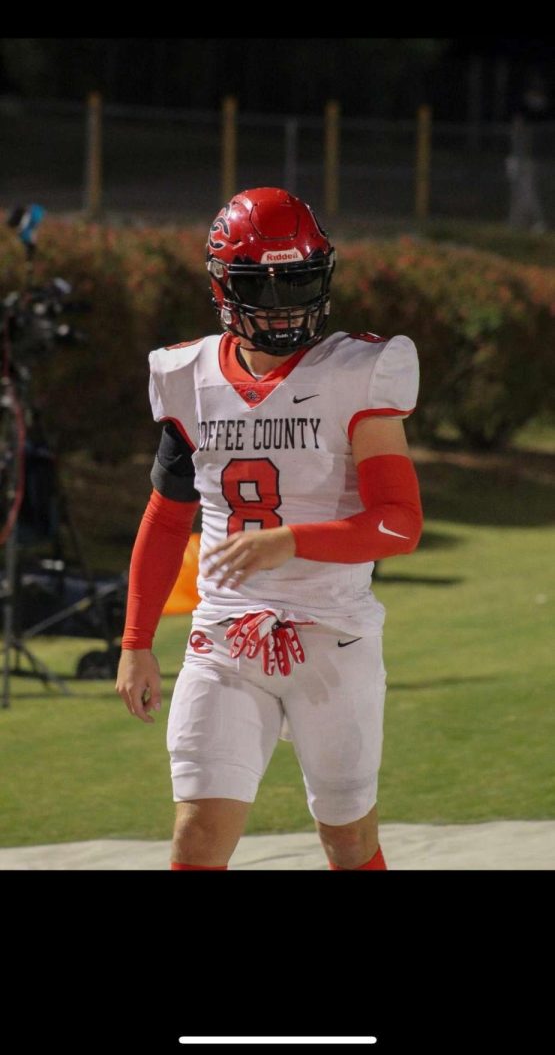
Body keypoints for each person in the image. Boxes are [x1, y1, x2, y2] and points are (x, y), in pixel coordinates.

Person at [116, 187, 423, 871]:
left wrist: (293, 540)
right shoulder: (187, 376)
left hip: (332, 635)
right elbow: (166, 520)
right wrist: (136, 640)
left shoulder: (358, 372)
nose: (284, 303)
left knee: (346, 840)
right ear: (225, 286)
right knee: (196, 836)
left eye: (299, 280)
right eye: (264, 283)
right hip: (224, 636)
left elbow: (399, 525)